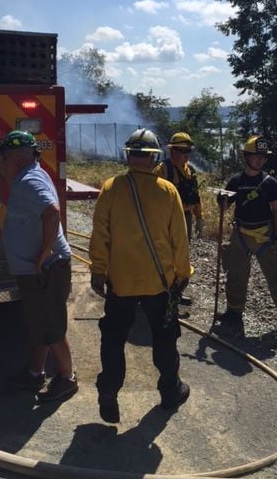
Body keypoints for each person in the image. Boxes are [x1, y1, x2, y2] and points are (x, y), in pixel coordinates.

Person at [89, 128, 191, 423]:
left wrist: (98, 271)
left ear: (129, 156)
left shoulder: (111, 187)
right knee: (165, 337)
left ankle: (109, 390)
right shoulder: (168, 191)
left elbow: (100, 235)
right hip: (159, 284)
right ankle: (170, 391)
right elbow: (179, 240)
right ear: (153, 157)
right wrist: (183, 274)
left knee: (113, 337)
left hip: (120, 283)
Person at [0, 130, 78, 402]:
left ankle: (67, 379)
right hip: (39, 270)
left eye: (3, 159)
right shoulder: (30, 175)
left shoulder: (28, 180)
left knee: (52, 328)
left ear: (14, 160)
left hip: (46, 269)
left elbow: (52, 212)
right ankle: (35, 373)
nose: (2, 165)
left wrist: (44, 253)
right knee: (39, 325)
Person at [216, 134, 277, 334]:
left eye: (262, 157)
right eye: (255, 156)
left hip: (265, 234)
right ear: (246, 156)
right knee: (236, 275)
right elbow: (226, 206)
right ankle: (234, 313)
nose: (259, 160)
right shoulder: (236, 181)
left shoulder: (269, 182)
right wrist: (221, 200)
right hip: (241, 234)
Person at [154, 131, 202, 307]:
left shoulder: (191, 171)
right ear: (172, 151)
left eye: (188, 151)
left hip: (186, 217)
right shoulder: (162, 169)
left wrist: (199, 217)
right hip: (167, 219)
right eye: (182, 151)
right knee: (166, 255)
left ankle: (176, 292)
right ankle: (160, 292)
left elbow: (195, 196)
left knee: (181, 255)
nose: (185, 155)